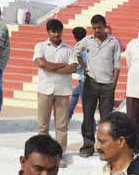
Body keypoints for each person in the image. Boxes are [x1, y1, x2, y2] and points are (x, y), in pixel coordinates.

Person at [78, 15, 121, 158]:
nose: (97, 30)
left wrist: (113, 83)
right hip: (91, 82)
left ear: (105, 27)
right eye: (94, 28)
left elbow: (117, 64)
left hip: (108, 84)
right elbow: (76, 52)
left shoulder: (114, 42)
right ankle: (88, 145)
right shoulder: (87, 41)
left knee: (106, 119)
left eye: (99, 28)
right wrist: (84, 67)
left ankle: (105, 147)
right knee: (88, 115)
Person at [33, 19, 77, 156]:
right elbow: (41, 64)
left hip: (63, 91)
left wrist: (49, 67)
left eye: (59, 31)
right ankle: (43, 154)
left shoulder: (69, 49)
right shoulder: (40, 46)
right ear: (48, 32)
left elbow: (73, 68)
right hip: (45, 89)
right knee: (43, 126)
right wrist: (62, 65)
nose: (56, 34)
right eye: (53, 31)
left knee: (62, 126)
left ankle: (59, 155)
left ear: (62, 31)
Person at [68, 26, 88, 121]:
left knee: (86, 104)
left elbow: (76, 65)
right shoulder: (89, 44)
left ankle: (90, 124)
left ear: (75, 37)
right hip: (85, 77)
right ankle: (68, 115)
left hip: (84, 78)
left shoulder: (77, 48)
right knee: (75, 94)